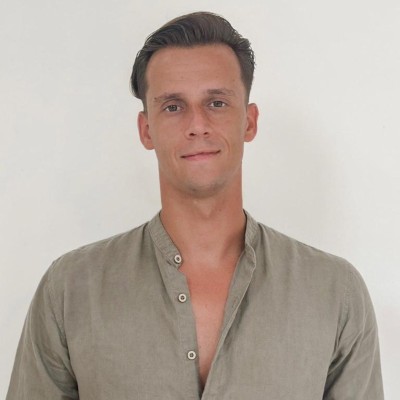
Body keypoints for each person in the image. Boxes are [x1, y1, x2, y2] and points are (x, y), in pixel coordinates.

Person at [7, 11, 384, 400]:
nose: (197, 125)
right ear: (146, 130)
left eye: (216, 103)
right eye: (173, 106)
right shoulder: (69, 290)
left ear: (249, 121)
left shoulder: (335, 293)